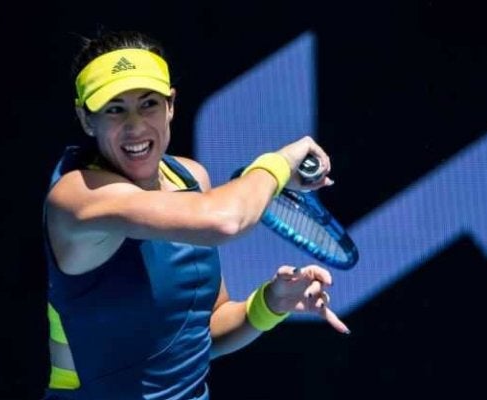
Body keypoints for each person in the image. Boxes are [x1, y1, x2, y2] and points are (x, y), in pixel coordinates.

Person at [41, 30, 348, 400]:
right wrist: (278, 164)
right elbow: (224, 220)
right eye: (115, 109)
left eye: (148, 104)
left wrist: (270, 303)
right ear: (86, 119)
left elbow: (205, 331)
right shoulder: (77, 198)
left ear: (171, 104)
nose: (135, 126)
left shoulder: (190, 178)